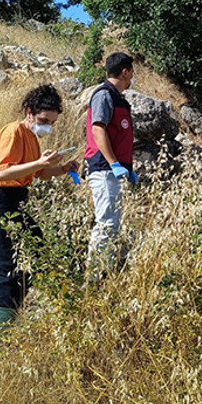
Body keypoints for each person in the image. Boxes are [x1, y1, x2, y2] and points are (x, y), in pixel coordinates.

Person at [0, 84, 79, 352]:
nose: (47, 127)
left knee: (38, 255)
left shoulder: (32, 138)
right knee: (8, 268)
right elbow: (3, 173)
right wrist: (40, 164)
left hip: (14, 205)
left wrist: (62, 168)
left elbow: (38, 174)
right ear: (30, 112)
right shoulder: (13, 131)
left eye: (52, 123)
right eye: (44, 121)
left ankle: (11, 326)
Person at [84, 52, 137, 281]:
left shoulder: (118, 99)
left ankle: (103, 274)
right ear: (125, 72)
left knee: (112, 223)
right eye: (131, 72)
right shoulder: (104, 95)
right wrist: (115, 163)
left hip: (113, 170)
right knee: (106, 223)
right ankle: (93, 280)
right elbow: (98, 129)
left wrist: (126, 166)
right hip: (104, 169)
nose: (132, 76)